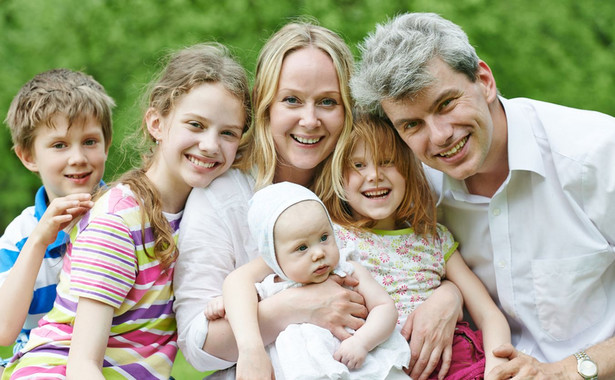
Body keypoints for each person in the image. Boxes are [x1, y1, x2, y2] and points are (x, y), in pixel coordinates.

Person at [351, 11, 615, 379]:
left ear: (484, 81)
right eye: (412, 125)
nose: (440, 135)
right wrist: (450, 293)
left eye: (445, 104)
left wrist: (567, 371)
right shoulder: (412, 188)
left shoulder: (597, 154)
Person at [1, 42, 251, 379]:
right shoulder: (119, 219)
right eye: (195, 125)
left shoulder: (205, 213)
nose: (210, 144)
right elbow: (82, 365)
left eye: (228, 133)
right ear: (156, 123)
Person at [319, 113, 510, 378]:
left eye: (387, 162)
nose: (374, 175)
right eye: (359, 165)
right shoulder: (331, 237)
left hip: (453, 364)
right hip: (372, 366)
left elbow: (488, 314)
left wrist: (497, 368)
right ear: (338, 176)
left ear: (407, 171)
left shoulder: (433, 238)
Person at [212, 182, 409, 379]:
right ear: (273, 257)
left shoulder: (348, 271)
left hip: (360, 365)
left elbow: (385, 307)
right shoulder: (270, 286)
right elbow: (238, 299)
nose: (318, 253)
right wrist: (224, 304)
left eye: (324, 237)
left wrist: (363, 342)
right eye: (302, 248)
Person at [0, 68, 114, 369]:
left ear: (107, 143)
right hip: (37, 366)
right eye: (60, 145)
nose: (77, 157)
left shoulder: (126, 214)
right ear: (28, 157)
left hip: (118, 363)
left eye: (90, 141)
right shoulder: (21, 235)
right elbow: (4, 330)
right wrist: (39, 240)